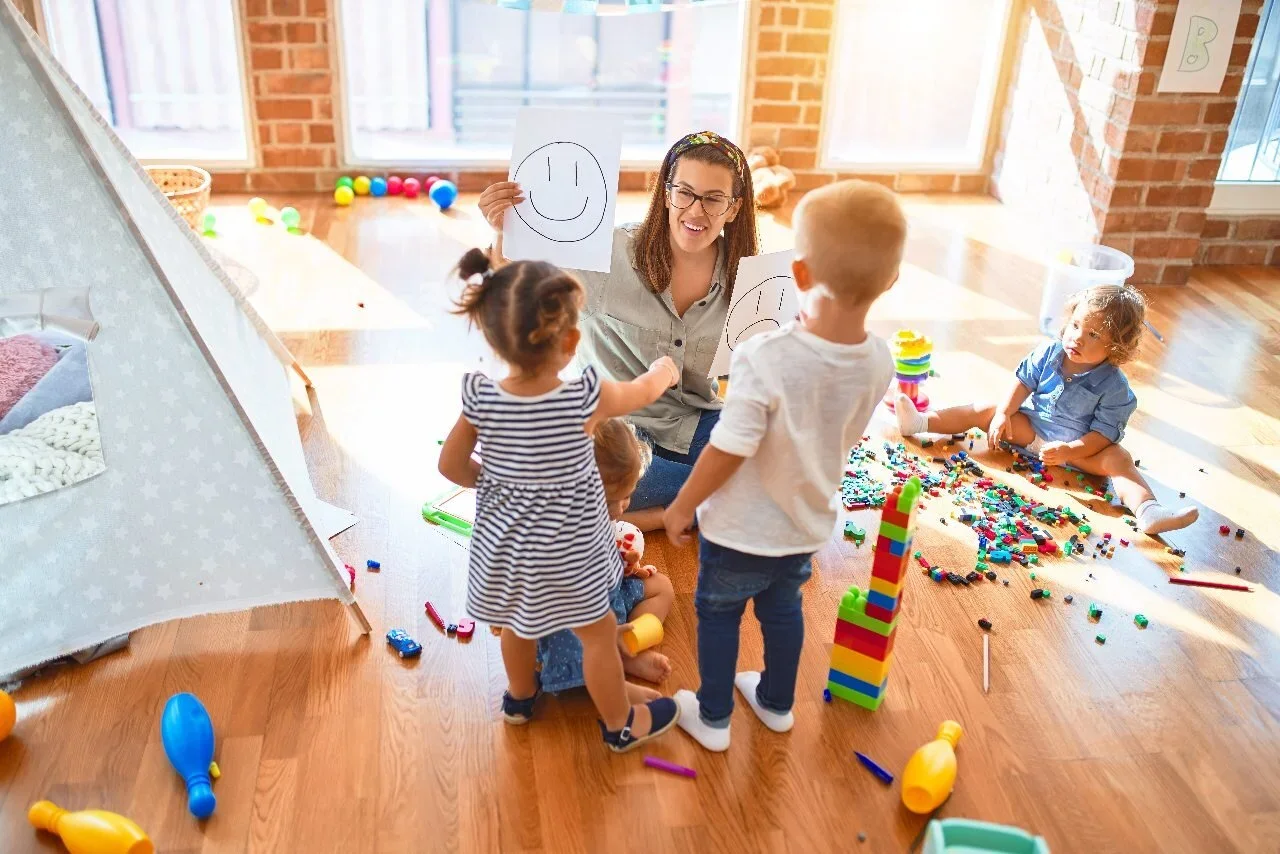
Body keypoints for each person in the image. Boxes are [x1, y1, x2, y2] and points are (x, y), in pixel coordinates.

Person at [661, 180, 905, 752]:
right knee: (782, 610)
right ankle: (776, 703)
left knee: (718, 613)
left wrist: (682, 504)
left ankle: (715, 716)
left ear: (797, 275)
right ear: (890, 281)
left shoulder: (763, 356)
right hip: (805, 523)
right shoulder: (879, 359)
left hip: (739, 528)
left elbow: (728, 447)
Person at [438, 248, 681, 752]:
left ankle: (521, 698)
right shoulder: (584, 398)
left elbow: (451, 467)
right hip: (571, 553)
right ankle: (620, 723)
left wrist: (497, 481)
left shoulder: (481, 398)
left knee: (518, 625)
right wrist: (665, 371)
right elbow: (640, 392)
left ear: (492, 336)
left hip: (505, 550)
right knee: (597, 634)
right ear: (572, 342)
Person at [477, 131, 760, 530]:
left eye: (713, 199)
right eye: (685, 192)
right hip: (616, 434)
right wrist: (504, 230)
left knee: (776, 465)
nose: (696, 211)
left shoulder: (747, 279)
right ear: (665, 193)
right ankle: (673, 511)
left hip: (696, 425)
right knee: (589, 477)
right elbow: (516, 285)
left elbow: (752, 375)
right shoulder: (608, 253)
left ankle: (646, 508)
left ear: (733, 208)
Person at [895, 284, 1198, 535]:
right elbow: (1022, 382)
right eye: (1077, 325)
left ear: (1115, 347)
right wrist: (1003, 413)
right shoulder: (1050, 352)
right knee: (986, 408)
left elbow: (1104, 434)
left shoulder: (1115, 386)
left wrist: (1070, 451)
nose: (1077, 336)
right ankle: (921, 422)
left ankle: (1148, 511)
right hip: (1033, 430)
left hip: (1084, 452)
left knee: (1119, 459)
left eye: (1093, 335)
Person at [537, 418, 676, 700]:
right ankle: (611, 672)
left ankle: (626, 649)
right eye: (614, 501)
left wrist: (628, 569)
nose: (623, 507)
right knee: (583, 654)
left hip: (610, 601)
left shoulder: (597, 518)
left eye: (627, 497)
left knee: (663, 587)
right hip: (575, 622)